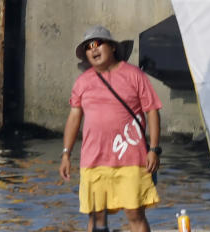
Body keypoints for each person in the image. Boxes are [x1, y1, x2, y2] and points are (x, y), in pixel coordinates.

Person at [59, 26, 162, 232]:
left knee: (135, 214)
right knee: (96, 218)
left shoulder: (134, 75)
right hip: (94, 160)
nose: (93, 50)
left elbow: (152, 111)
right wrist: (66, 153)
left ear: (112, 47)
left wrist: (154, 149)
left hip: (131, 158)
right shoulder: (82, 82)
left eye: (97, 44)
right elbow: (74, 117)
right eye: (88, 47)